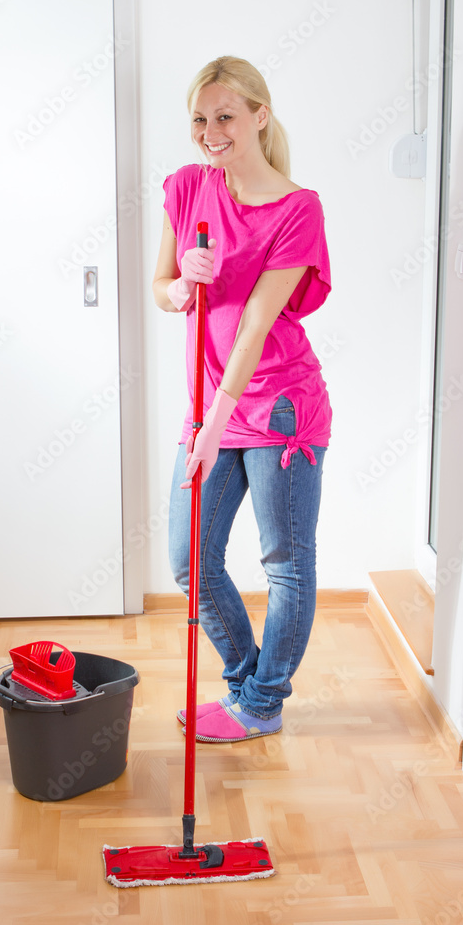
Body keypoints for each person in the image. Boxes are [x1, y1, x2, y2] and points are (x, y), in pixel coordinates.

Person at [152, 55, 332, 744]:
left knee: (284, 561)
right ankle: (244, 689)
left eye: (225, 115)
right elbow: (163, 286)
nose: (210, 131)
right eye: (200, 118)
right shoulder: (186, 187)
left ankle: (261, 703)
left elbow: (257, 323)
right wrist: (178, 287)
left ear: (259, 114)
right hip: (210, 404)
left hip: (280, 406)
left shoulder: (296, 208)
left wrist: (214, 424)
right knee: (189, 558)